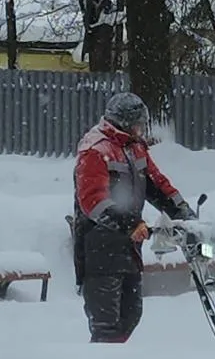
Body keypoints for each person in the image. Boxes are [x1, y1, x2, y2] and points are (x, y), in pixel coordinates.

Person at [72, 91, 195, 343]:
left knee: (131, 313)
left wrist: (182, 211)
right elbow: (93, 202)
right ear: (124, 122)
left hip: (129, 248)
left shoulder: (134, 148)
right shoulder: (95, 150)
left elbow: (156, 184)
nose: (141, 129)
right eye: (138, 123)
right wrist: (130, 223)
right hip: (99, 247)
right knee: (106, 323)